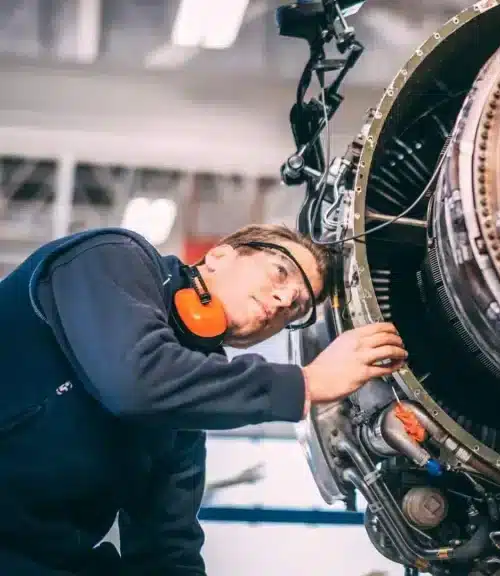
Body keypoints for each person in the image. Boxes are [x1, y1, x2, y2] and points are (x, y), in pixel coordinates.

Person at [0, 223, 408, 575]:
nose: (285, 301)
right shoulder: (111, 259)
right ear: (218, 256)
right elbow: (136, 382)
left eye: (298, 307)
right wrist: (305, 383)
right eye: (280, 273)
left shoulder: (186, 412)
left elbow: (167, 548)